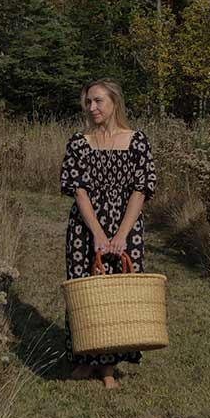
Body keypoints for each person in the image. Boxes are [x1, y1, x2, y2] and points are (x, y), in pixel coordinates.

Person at [59, 78, 157, 389]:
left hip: (126, 225)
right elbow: (79, 191)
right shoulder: (78, 142)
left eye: (99, 101)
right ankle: (85, 358)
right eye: (88, 102)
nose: (92, 107)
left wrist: (122, 234)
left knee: (119, 296)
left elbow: (141, 190)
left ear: (115, 102)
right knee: (85, 292)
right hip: (85, 227)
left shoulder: (137, 141)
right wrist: (98, 233)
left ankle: (109, 366)